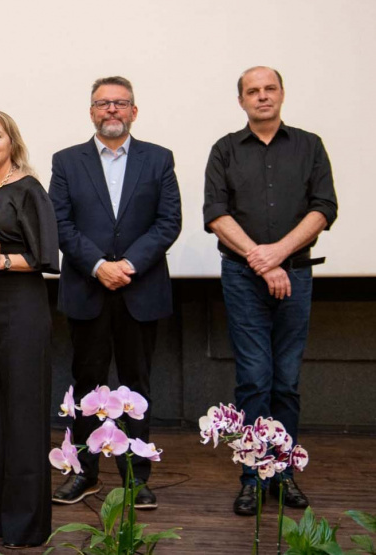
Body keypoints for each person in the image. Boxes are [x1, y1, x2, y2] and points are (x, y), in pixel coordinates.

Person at [203, 66, 338, 516]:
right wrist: (261, 262)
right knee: (254, 379)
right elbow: (216, 215)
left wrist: (278, 254)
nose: (262, 97)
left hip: (296, 275)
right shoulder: (224, 149)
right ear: (241, 101)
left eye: (269, 89)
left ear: (282, 94)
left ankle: (282, 473)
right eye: (252, 91)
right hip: (242, 279)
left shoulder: (310, 146)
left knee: (286, 381)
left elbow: (324, 208)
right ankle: (251, 476)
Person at [49, 76, 181, 510]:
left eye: (120, 103)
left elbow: (168, 222)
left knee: (136, 387)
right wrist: (98, 266)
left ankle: (135, 479)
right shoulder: (67, 162)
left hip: (140, 290)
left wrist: (128, 265)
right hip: (88, 289)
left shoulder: (159, 159)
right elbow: (61, 224)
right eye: (103, 104)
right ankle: (84, 472)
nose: (111, 110)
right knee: (86, 386)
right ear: (91, 112)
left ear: (133, 112)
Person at [0, 109, 60, 549]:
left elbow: (45, 258)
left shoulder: (28, 189)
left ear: (11, 141)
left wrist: (1, 258)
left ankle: (25, 525)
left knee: (23, 414)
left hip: (22, 308)